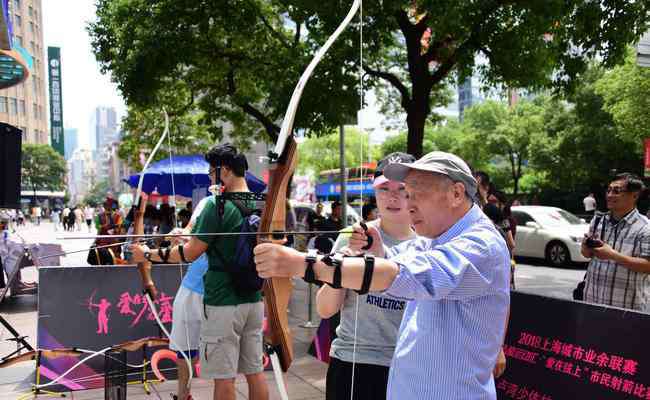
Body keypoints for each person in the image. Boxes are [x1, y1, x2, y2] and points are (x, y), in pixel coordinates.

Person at [254, 151, 511, 399]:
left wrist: (303, 264)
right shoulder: (435, 239)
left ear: (456, 193)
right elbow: (397, 260)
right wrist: (378, 253)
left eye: (415, 193)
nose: (407, 204)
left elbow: (406, 274)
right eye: (403, 192)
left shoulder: (480, 245)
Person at [129, 143, 269, 400]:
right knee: (255, 371)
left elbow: (189, 253)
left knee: (224, 377)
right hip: (253, 299)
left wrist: (146, 254)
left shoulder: (218, 205)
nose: (208, 176)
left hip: (223, 302)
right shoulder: (264, 204)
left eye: (211, 171)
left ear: (224, 170)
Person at [317, 152, 416, 400]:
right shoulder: (354, 236)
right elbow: (325, 309)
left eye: (402, 189)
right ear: (374, 191)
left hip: (407, 366)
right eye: (384, 188)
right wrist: (346, 261)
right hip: (352, 362)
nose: (392, 197)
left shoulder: (429, 245)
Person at [581, 173, 650, 312]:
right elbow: (586, 254)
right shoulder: (598, 220)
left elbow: (648, 266)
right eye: (609, 190)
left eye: (617, 191)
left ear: (634, 195)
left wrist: (613, 255)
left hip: (627, 310)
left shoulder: (645, 227)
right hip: (592, 303)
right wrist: (585, 247)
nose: (610, 195)